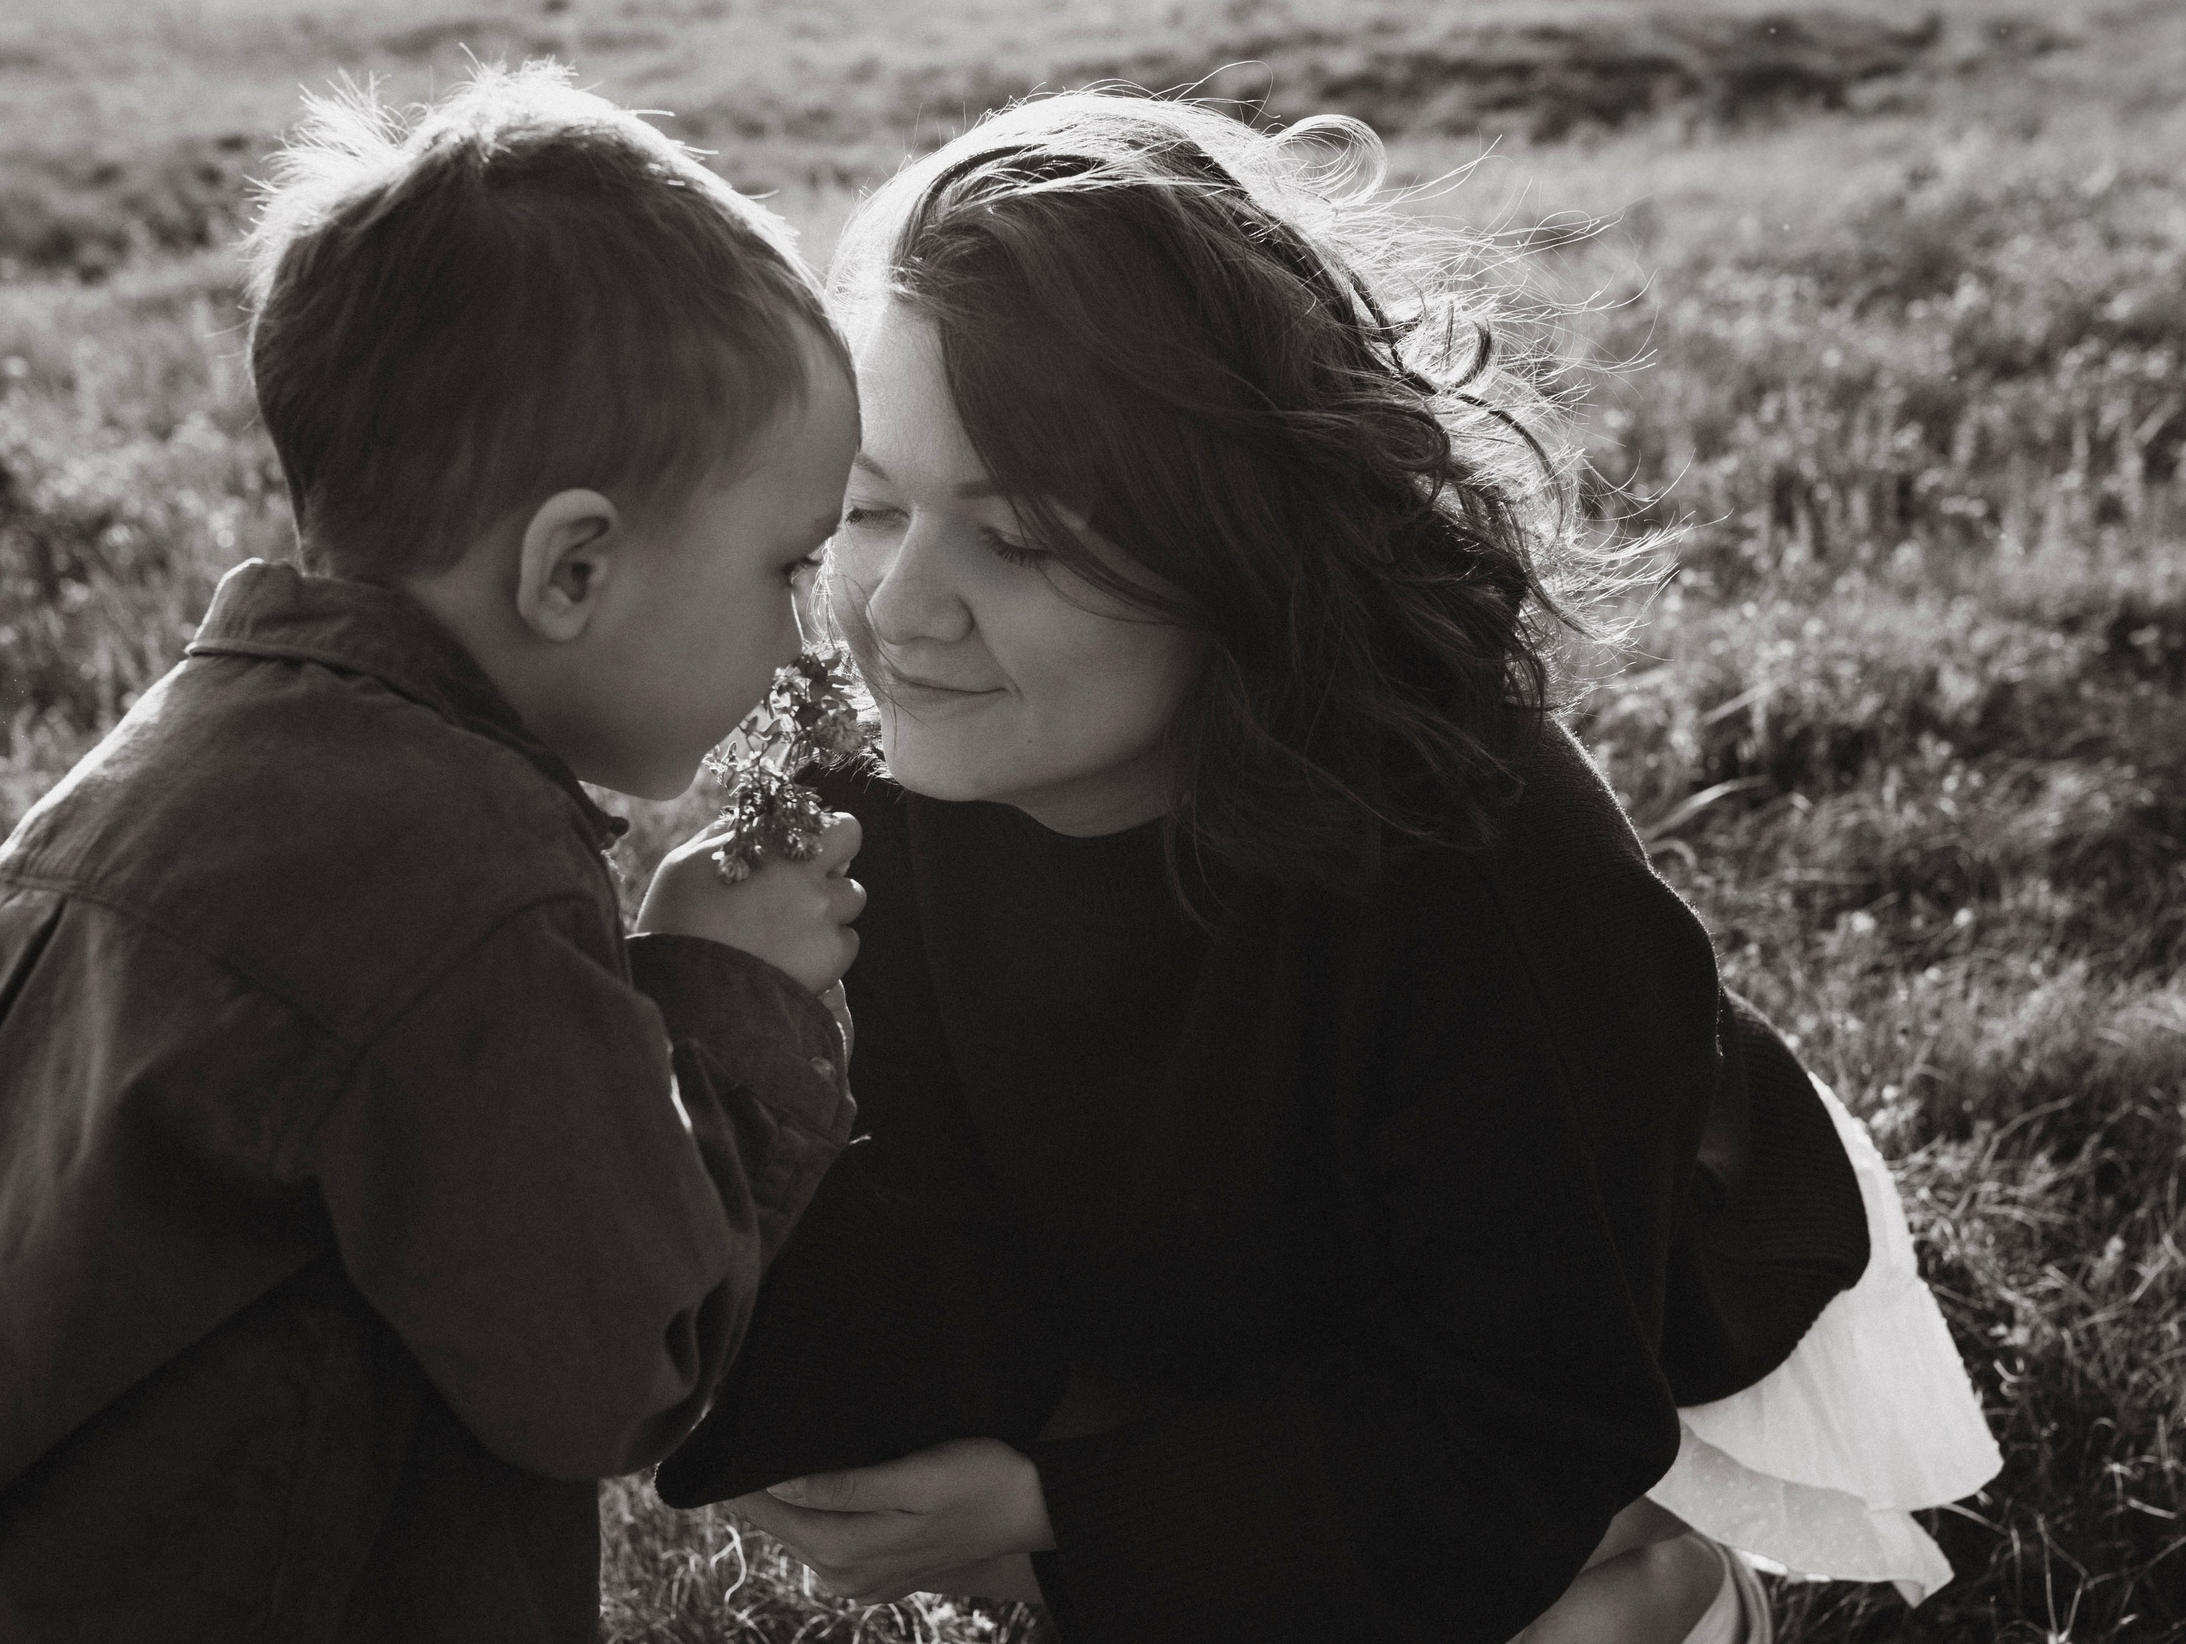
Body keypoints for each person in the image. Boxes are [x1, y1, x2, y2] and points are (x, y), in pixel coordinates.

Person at [654, 94, 2001, 1644]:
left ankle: (1661, 1586)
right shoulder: (881, 795)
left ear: (1238, 546)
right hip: (1195, 1252)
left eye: (1021, 541)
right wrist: (725, 1047)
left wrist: (1056, 1518)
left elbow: (1528, 1421)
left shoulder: (1479, 869)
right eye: (875, 510)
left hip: (1581, 1319)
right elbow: (918, 1246)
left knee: (1521, 1589)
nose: (901, 613)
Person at [0, 64, 871, 1644]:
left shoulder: (143, 781)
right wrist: (722, 1001)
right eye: (788, 567)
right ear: (573, 569)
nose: (805, 642)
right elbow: (616, 1362)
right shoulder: (465, 884)